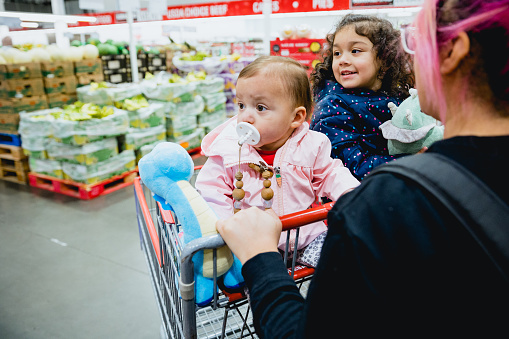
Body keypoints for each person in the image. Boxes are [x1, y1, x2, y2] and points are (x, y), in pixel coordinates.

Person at [216, 0, 509, 337]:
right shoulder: (339, 112)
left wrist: (259, 257)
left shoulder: (386, 203)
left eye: (416, 41)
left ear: (452, 51)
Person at [195, 56, 359, 267]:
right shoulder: (227, 152)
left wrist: (351, 193)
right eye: (242, 105)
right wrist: (227, 226)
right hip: (255, 244)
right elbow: (211, 193)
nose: (246, 117)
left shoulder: (311, 146)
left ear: (296, 117)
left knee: (342, 261)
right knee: (256, 282)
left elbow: (331, 173)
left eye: (260, 107)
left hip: (307, 235)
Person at [310, 14, 415, 180]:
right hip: (355, 198)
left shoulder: (398, 96)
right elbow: (351, 168)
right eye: (337, 53)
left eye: (355, 51)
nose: (343, 60)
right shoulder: (333, 106)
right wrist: (414, 162)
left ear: (385, 59)